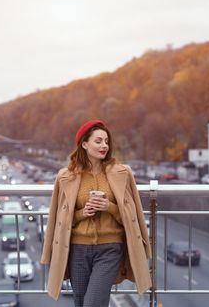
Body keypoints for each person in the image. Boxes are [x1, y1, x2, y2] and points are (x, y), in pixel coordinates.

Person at [40, 120, 152, 306]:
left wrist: (110, 207)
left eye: (106, 141)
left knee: (92, 303)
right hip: (77, 249)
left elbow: (133, 215)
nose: (104, 146)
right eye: (98, 141)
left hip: (110, 248)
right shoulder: (65, 176)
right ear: (84, 144)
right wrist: (82, 213)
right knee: (81, 302)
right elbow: (58, 219)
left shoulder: (123, 173)